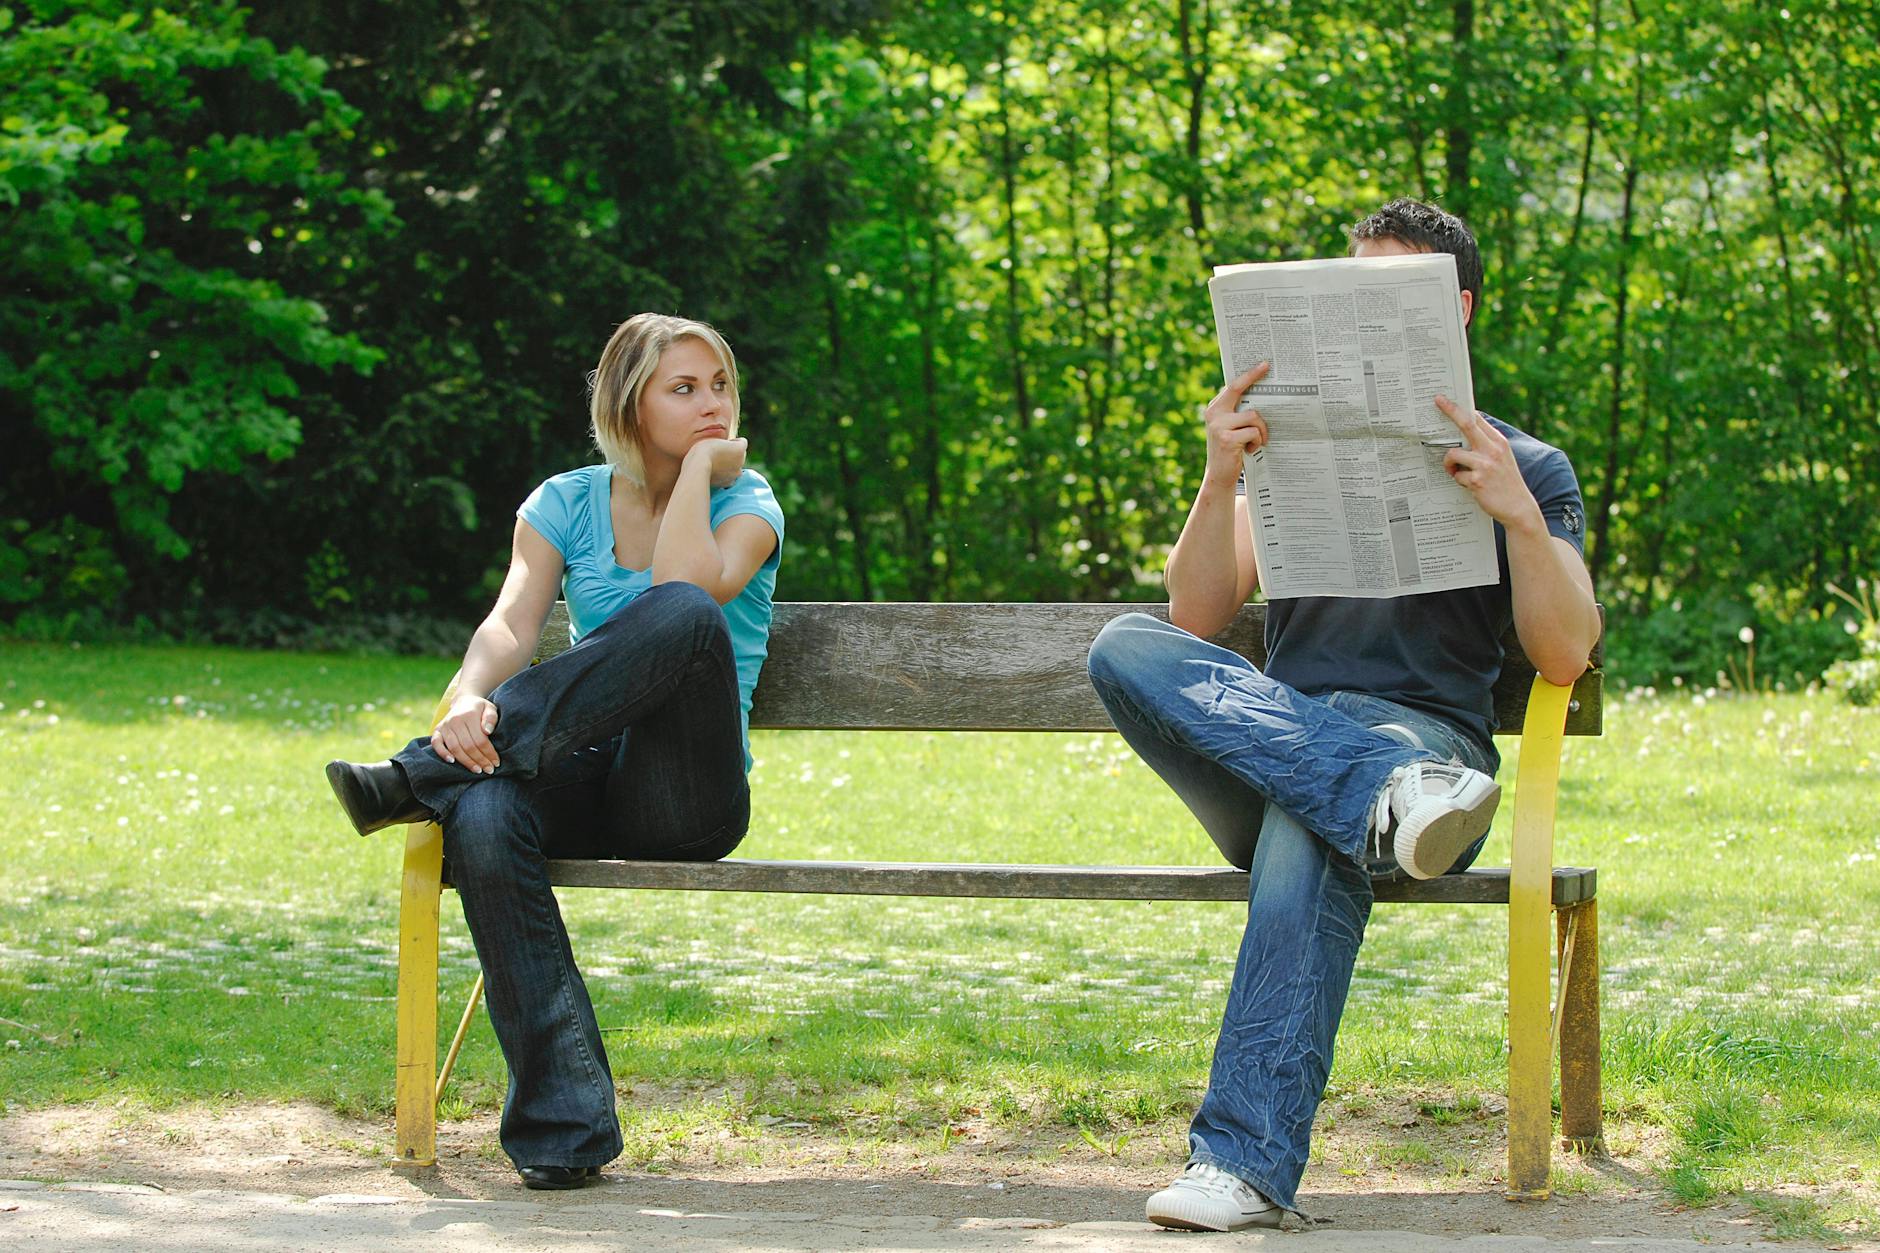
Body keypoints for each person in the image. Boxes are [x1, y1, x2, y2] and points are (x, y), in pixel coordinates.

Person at [1085, 200, 1599, 1231]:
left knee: (1304, 830)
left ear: (1451, 309)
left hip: (1425, 743)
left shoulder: (1526, 465)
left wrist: (1510, 516)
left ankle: (1238, 1163)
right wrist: (1220, 471)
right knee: (1122, 646)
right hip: (1299, 745)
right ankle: (1373, 796)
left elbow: (1562, 651)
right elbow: (1191, 618)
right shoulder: (1282, 453)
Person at [324, 313, 784, 1190]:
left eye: (719, 384)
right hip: (573, 768)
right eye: (683, 389)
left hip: (684, 795)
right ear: (629, 399)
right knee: (488, 810)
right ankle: (563, 1129)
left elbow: (692, 587)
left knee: (683, 614)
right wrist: (467, 697)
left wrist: (695, 470)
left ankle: (416, 775)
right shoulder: (565, 501)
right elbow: (511, 622)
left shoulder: (746, 499)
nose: (711, 405)